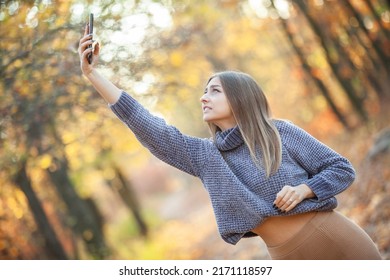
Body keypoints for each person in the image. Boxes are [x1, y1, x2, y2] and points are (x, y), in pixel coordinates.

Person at [78, 24, 382, 260]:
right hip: (286, 258)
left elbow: (341, 168)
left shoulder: (278, 132)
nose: (203, 97)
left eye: (214, 91)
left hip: (333, 237)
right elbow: (149, 126)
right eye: (205, 91)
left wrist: (306, 189)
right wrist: (93, 75)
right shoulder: (204, 156)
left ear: (239, 97)